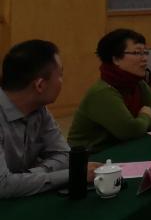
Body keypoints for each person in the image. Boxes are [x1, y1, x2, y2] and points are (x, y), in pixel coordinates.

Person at [1, 40, 99, 198]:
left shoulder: (39, 109)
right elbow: (3, 185)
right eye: (60, 75)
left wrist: (31, 175)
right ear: (40, 85)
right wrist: (75, 174)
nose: (62, 82)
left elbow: (65, 156)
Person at [68, 29, 151, 151]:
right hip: (91, 155)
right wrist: (145, 115)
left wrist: (139, 124)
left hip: (122, 147)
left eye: (146, 52)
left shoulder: (138, 83)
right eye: (137, 53)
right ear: (116, 59)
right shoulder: (102, 92)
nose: (144, 58)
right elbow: (130, 131)